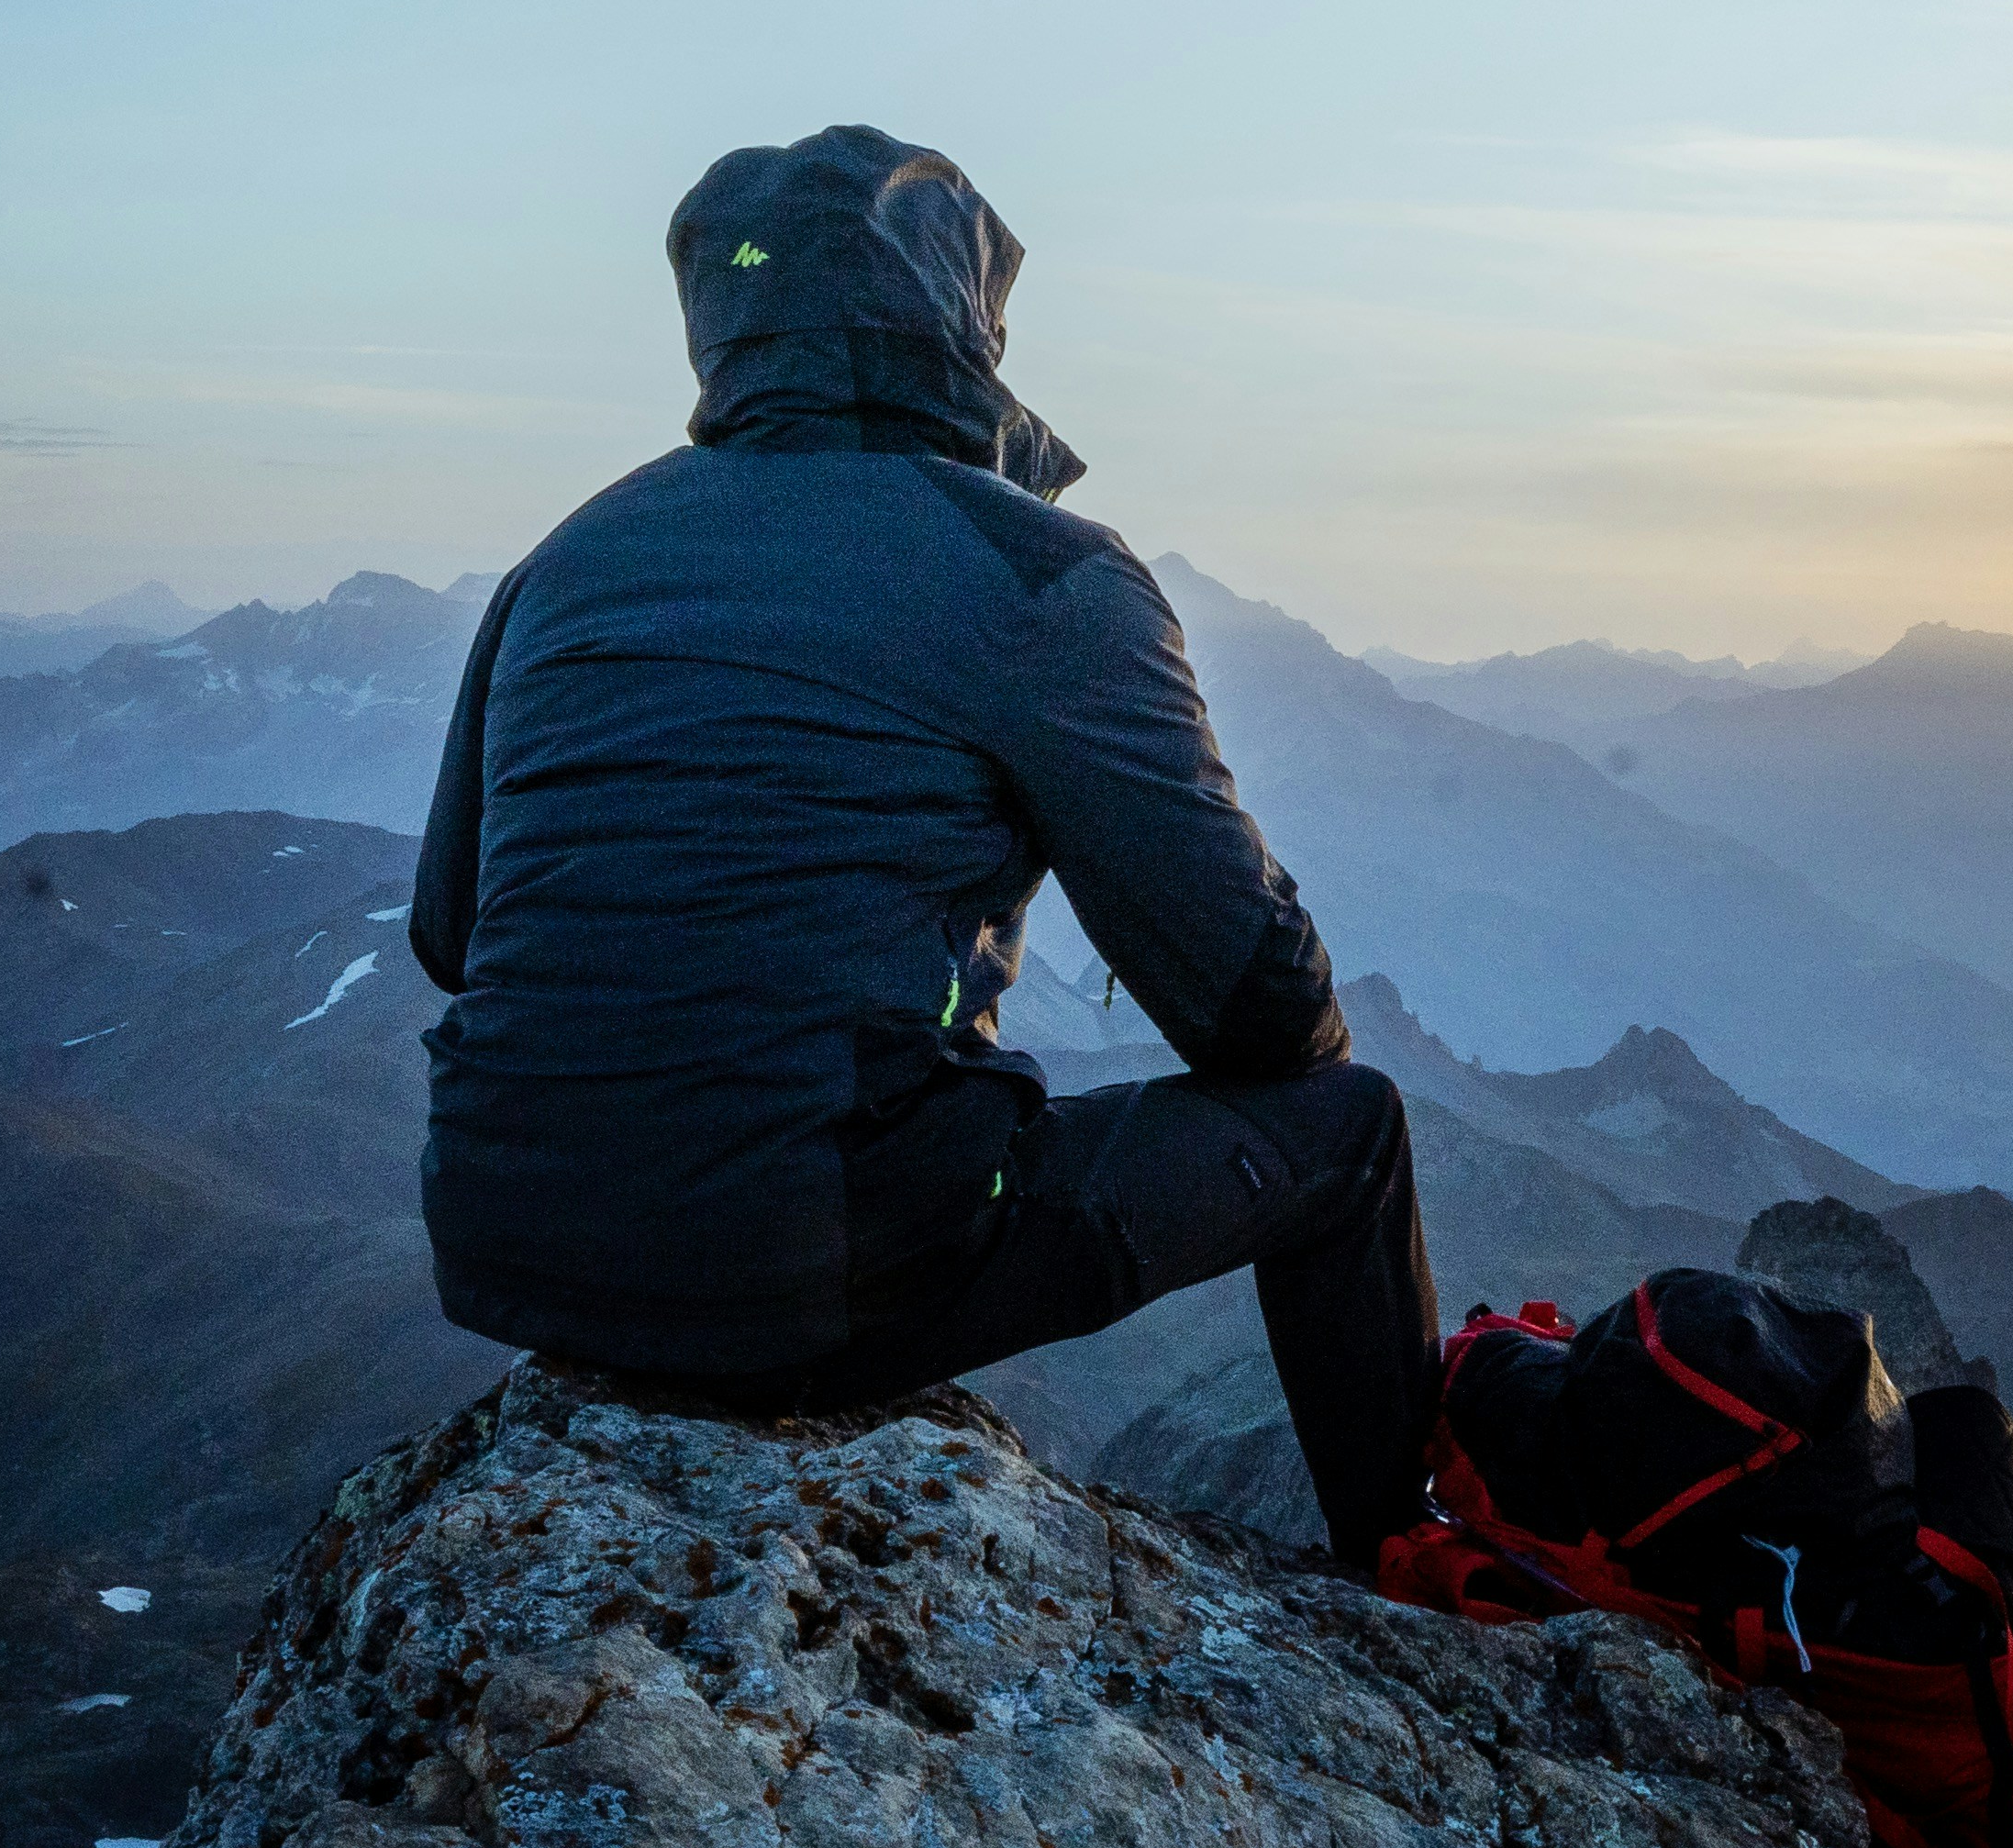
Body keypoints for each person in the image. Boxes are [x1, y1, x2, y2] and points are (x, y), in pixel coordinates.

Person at [408, 124, 1444, 1570]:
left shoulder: (567, 560)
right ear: (966, 313)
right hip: (807, 1271)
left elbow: (454, 938)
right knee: (1349, 1131)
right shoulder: (1036, 571)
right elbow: (1258, 1008)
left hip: (504, 1245)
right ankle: (1409, 1570)